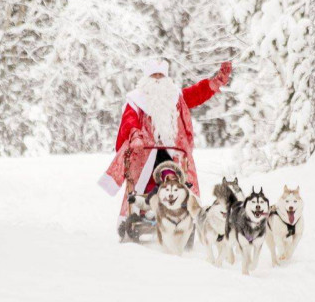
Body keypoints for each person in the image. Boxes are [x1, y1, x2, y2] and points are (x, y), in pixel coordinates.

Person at [98, 59, 232, 223]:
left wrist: (215, 81)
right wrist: (135, 135)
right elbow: (129, 120)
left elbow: (196, 94)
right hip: (144, 152)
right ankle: (146, 209)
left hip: (172, 150)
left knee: (175, 176)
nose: (157, 80)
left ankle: (174, 209)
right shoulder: (136, 99)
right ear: (147, 78)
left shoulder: (174, 96)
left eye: (161, 76)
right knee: (145, 179)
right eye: (154, 76)